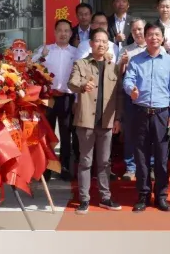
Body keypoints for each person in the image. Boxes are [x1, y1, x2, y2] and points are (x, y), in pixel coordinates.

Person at [123, 23, 170, 212]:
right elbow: (128, 80)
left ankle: (162, 196)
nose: (153, 38)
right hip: (140, 113)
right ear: (144, 37)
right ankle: (143, 195)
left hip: (162, 114)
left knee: (162, 158)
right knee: (141, 157)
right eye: (150, 34)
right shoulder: (136, 60)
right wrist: (131, 89)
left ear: (162, 38)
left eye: (157, 34)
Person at [68, 28, 124, 214]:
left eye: (104, 41)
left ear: (108, 45)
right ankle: (84, 199)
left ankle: (105, 197)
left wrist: (118, 119)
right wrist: (83, 85)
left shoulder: (113, 67)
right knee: (85, 162)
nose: (101, 44)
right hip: (86, 121)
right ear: (91, 44)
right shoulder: (81, 64)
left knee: (105, 162)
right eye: (98, 41)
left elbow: (119, 95)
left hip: (106, 122)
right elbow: (72, 83)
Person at [32, 19, 77, 181]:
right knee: (47, 134)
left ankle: (64, 167)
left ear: (70, 34)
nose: (63, 34)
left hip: (67, 98)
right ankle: (46, 168)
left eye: (66, 31)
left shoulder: (75, 52)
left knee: (66, 134)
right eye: (60, 30)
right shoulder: (46, 50)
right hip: (48, 98)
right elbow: (31, 64)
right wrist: (41, 56)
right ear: (55, 32)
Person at [118, 18, 156, 181]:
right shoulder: (126, 50)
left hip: (150, 97)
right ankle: (131, 167)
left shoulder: (155, 47)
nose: (137, 32)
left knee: (151, 132)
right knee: (131, 132)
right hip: (130, 97)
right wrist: (123, 63)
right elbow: (118, 74)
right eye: (134, 30)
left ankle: (151, 165)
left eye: (140, 29)